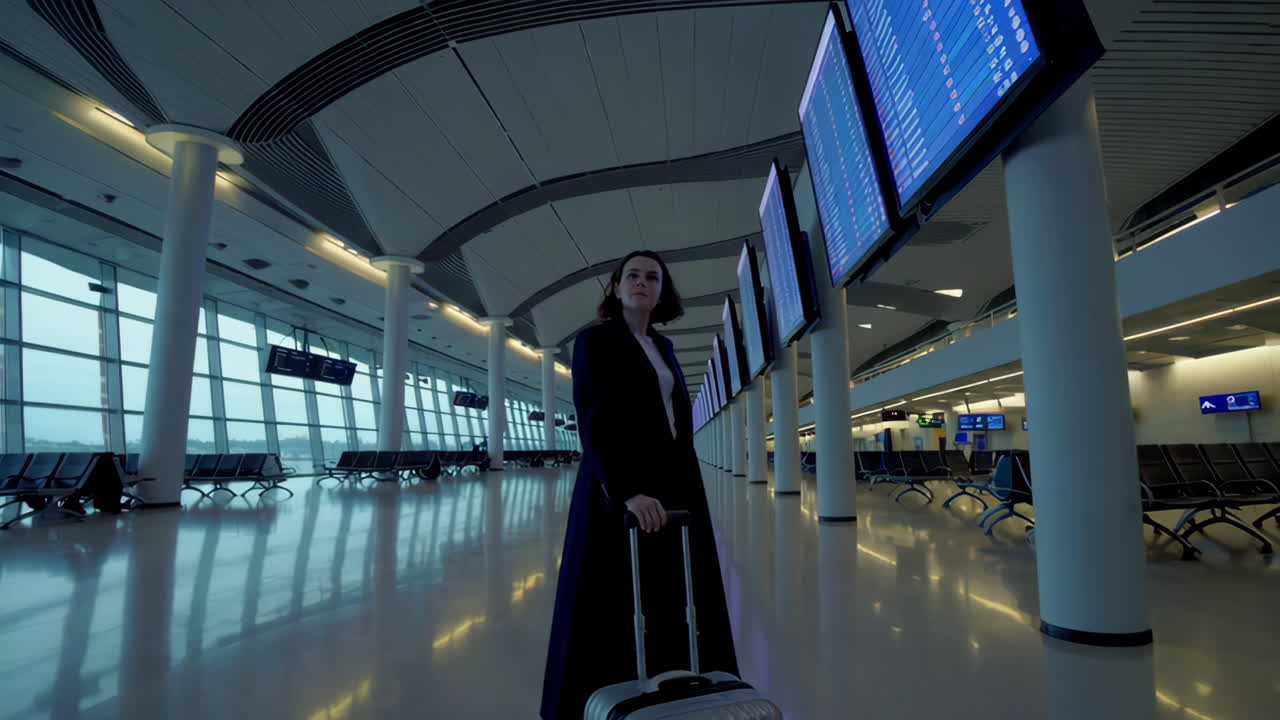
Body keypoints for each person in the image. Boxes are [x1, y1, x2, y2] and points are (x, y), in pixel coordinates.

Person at [540, 250, 739, 719]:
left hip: (671, 479)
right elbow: (594, 419)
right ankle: (595, 700)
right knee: (607, 592)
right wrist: (626, 490)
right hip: (619, 486)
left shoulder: (663, 347)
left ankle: (672, 686)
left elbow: (673, 419)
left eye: (653, 277)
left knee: (673, 585)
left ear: (662, 291)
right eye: (633, 275)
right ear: (615, 287)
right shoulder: (594, 343)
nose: (642, 282)